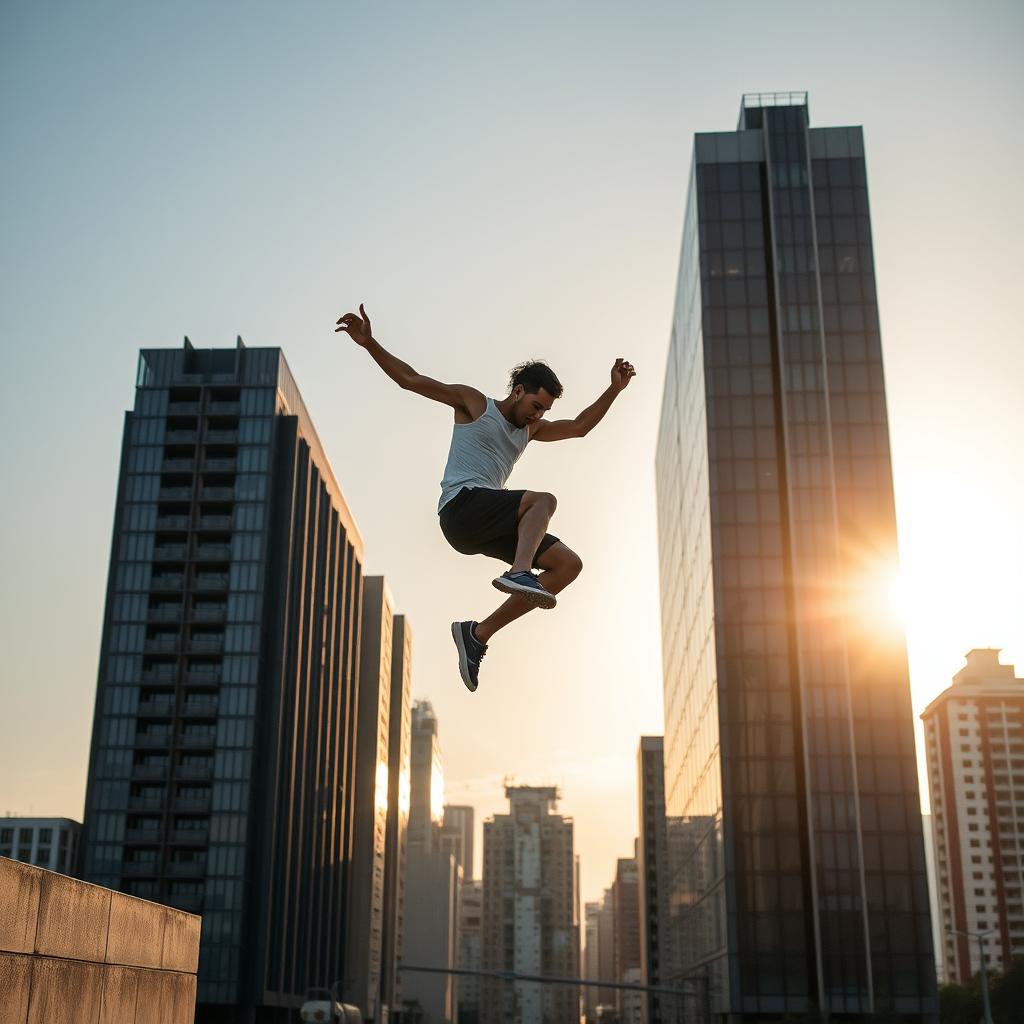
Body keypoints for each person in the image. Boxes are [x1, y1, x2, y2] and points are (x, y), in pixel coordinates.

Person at [335, 304, 635, 692]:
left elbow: (578, 428)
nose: (537, 415)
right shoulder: (475, 404)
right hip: (460, 509)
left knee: (567, 566)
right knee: (543, 501)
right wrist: (370, 343)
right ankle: (518, 572)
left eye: (544, 410)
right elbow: (411, 380)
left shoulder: (532, 431)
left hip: (484, 525)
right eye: (535, 405)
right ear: (518, 390)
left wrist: (613, 390)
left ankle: (477, 635)